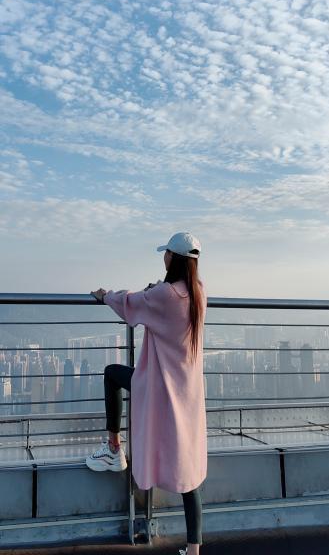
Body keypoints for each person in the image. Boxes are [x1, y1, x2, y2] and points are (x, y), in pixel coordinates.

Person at [87, 231, 207, 555]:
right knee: (188, 471)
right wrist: (156, 290)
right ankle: (194, 549)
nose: (164, 257)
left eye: (166, 253)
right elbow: (162, 302)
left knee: (112, 374)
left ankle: (114, 449)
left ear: (173, 258)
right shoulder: (198, 292)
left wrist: (104, 295)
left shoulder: (164, 295)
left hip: (157, 386)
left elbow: (130, 303)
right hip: (187, 392)